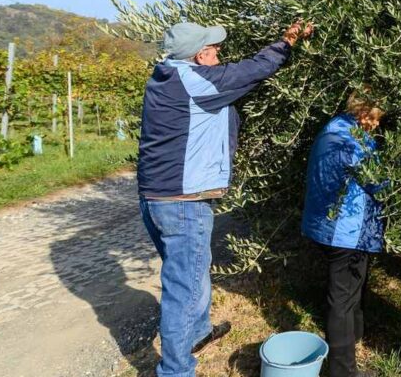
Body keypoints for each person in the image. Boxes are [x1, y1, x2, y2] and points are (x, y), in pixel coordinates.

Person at [138, 19, 313, 377]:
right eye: (214, 47)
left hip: (157, 197)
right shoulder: (197, 81)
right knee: (182, 289)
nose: (220, 52)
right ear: (200, 55)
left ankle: (199, 333)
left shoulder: (165, 75)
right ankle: (175, 371)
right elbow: (253, 71)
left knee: (193, 272)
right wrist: (287, 41)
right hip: (182, 202)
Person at [301, 90, 386, 377]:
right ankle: (343, 370)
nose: (375, 125)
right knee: (343, 298)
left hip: (326, 226)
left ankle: (353, 340)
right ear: (362, 112)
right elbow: (379, 182)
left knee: (350, 291)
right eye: (373, 119)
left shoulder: (333, 127)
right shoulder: (353, 143)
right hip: (345, 232)